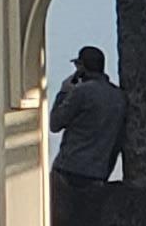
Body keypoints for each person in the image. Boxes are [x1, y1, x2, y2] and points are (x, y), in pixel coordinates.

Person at [49, 45, 127, 183]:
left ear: (81, 68)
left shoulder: (80, 92)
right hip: (98, 173)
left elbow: (55, 124)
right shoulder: (118, 96)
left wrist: (64, 92)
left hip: (69, 169)